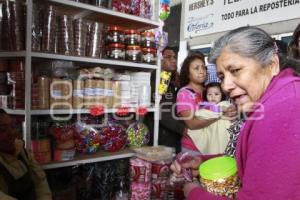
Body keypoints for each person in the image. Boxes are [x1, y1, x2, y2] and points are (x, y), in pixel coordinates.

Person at [172, 26, 300, 199]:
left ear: (272, 65)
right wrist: (204, 161)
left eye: (236, 71)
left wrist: (194, 193)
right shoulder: (275, 99)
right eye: (222, 76)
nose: (225, 86)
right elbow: (256, 161)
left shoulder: (282, 107)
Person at [176, 54, 235, 158]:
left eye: (203, 67)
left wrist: (230, 112)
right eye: (196, 68)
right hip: (193, 148)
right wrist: (220, 115)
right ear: (188, 73)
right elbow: (192, 124)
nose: (201, 71)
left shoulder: (210, 90)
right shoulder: (184, 93)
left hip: (213, 144)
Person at [0, 109, 52, 200]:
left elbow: (40, 181)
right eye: (2, 129)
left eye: (12, 126)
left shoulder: (20, 150)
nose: (12, 133)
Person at [146, 46, 185, 153]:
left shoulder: (172, 77)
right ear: (160, 59)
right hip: (162, 133)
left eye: (174, 57)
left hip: (172, 132)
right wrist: (184, 130)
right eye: (168, 57)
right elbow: (162, 112)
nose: (173, 60)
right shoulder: (160, 77)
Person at [187, 82, 231, 155]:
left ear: (222, 95)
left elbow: (228, 111)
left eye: (216, 94)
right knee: (214, 151)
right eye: (209, 94)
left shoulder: (225, 104)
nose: (213, 97)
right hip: (213, 137)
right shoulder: (206, 107)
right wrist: (220, 112)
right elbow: (199, 114)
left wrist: (220, 111)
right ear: (205, 96)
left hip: (225, 135)